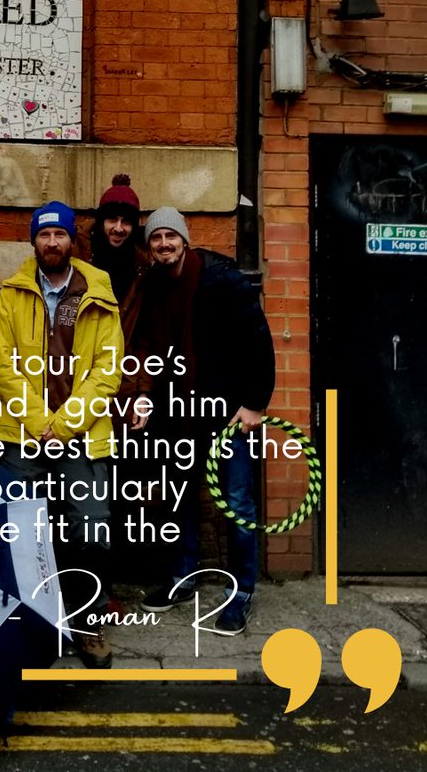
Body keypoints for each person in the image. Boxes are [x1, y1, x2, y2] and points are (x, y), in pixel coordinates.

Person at [0, 201, 124, 668]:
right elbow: (1, 365)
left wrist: (62, 425)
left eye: (59, 235)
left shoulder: (99, 295)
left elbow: (108, 372)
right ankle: (30, 624)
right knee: (21, 532)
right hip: (24, 436)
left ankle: (88, 624)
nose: (52, 243)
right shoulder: (11, 294)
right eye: (44, 236)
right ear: (34, 241)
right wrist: (38, 423)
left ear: (72, 241)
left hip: (81, 435)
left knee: (91, 529)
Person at [133, 207, 275, 635]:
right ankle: (182, 577)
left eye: (170, 237)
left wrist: (254, 404)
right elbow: (147, 349)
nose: (163, 245)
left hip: (227, 413)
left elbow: (259, 342)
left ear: (184, 240)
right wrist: (144, 396)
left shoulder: (221, 278)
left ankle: (242, 593)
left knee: (236, 505)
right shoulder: (153, 285)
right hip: (178, 415)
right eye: (156, 238)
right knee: (180, 501)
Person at [89, 173, 151, 346]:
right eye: (112, 219)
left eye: (126, 222)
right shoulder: (81, 258)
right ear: (101, 222)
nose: (118, 228)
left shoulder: (142, 268)